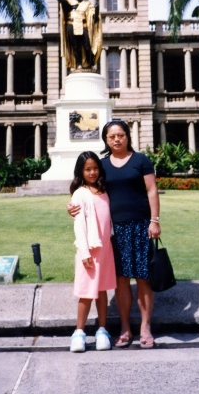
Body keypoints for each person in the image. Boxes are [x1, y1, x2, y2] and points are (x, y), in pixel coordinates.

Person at [68, 120, 161, 349]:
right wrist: (71, 206)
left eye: (121, 135)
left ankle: (145, 327)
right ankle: (125, 328)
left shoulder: (141, 160)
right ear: (106, 140)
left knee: (143, 277)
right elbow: (90, 192)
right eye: (112, 136)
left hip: (141, 226)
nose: (117, 139)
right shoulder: (102, 165)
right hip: (115, 231)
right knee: (121, 279)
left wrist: (155, 220)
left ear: (127, 136)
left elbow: (152, 190)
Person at [69, 151, 117, 353]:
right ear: (81, 171)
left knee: (102, 290)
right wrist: (84, 252)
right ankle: (79, 332)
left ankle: (102, 331)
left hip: (105, 249)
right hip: (89, 250)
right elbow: (79, 226)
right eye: (87, 169)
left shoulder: (103, 190)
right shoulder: (80, 193)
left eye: (95, 168)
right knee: (86, 292)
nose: (92, 172)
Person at [53, 0, 102, 69]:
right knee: (75, 46)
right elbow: (61, 0)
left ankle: (90, 63)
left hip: (83, 25)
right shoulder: (70, 2)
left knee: (87, 46)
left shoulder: (87, 4)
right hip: (71, 25)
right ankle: (79, 64)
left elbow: (94, 19)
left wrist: (97, 9)